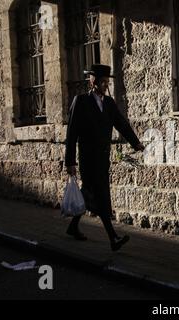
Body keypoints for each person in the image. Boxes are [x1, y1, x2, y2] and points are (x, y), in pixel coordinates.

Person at [64, 64, 145, 252]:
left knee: (89, 193)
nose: (104, 84)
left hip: (102, 159)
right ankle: (113, 238)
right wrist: (70, 162)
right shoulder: (81, 101)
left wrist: (135, 143)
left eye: (107, 81)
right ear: (92, 81)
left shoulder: (108, 103)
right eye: (101, 81)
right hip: (87, 159)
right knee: (100, 196)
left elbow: (121, 124)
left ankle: (73, 227)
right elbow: (72, 134)